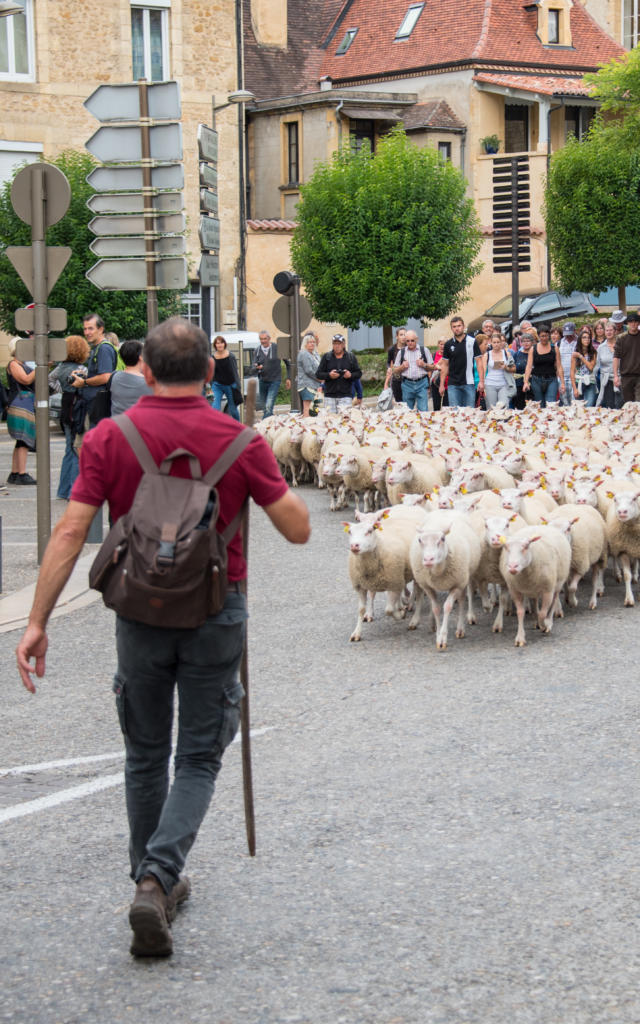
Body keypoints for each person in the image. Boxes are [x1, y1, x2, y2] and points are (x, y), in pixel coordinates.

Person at [16, 316, 311, 959]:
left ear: (143, 371)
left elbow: (70, 533)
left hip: (139, 613)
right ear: (210, 371)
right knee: (200, 757)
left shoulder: (109, 438)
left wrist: (37, 622)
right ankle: (159, 877)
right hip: (217, 609)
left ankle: (148, 881)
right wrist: (265, 488)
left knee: (144, 754)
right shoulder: (240, 439)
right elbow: (297, 530)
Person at [49, 334, 90, 499]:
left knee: (68, 448)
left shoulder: (60, 367)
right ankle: (74, 490)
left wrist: (63, 390)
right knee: (76, 447)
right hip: (78, 406)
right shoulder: (83, 369)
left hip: (66, 405)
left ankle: (64, 490)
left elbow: (49, 380)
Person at [72, 313, 117, 426]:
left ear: (100, 329)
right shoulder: (97, 348)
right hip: (95, 404)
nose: (87, 332)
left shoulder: (104, 349)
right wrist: (84, 375)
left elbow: (105, 377)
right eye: (85, 329)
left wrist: (84, 382)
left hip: (99, 406)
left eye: (90, 328)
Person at [5, 337, 36, 485]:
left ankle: (15, 472)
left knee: (20, 441)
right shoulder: (13, 364)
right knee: (23, 440)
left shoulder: (20, 364)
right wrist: (40, 368)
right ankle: (21, 473)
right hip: (20, 404)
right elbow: (26, 380)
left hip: (23, 404)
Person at [438, 316, 485, 407]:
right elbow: (445, 365)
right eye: (454, 326)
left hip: (469, 383)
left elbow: (479, 362)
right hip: (453, 384)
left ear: (463, 326)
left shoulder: (472, 341)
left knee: (469, 413)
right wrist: (441, 384)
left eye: (459, 326)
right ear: (451, 328)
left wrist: (481, 381)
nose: (457, 328)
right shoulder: (448, 344)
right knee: (455, 413)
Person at [249, 329, 291, 419]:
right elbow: (252, 370)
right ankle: (270, 423)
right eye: (261, 339)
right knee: (265, 407)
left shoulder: (277, 348)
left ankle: (265, 424)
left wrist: (288, 378)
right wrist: (256, 367)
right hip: (262, 381)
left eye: (265, 338)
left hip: (275, 380)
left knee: (269, 405)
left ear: (269, 338)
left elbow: (288, 363)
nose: (263, 341)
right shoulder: (257, 351)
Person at [316, 333, 362, 413]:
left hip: (346, 395)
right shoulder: (327, 357)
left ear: (343, 344)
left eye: (339, 343)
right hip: (329, 395)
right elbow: (318, 374)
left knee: (345, 421)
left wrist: (350, 375)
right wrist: (329, 375)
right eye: (335, 343)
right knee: (330, 421)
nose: (337, 346)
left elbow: (358, 373)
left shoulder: (350, 357)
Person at [110, 340, 153, 416]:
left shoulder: (114, 377)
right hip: (137, 425)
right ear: (141, 357)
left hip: (116, 423)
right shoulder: (147, 383)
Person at [523, 329, 565, 407]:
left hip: (551, 379)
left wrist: (562, 382)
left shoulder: (554, 348)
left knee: (551, 404)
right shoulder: (533, 349)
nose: (544, 338)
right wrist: (526, 382)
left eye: (546, 336)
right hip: (537, 380)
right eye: (542, 336)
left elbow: (559, 366)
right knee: (539, 404)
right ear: (538, 337)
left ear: (548, 336)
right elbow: (528, 366)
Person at [393, 330, 433, 411]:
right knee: (407, 411)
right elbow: (395, 370)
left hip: (422, 383)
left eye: (412, 340)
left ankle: (423, 423)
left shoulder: (424, 350)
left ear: (417, 339)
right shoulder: (402, 352)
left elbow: (433, 367)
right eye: (407, 341)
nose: (410, 343)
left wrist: (424, 365)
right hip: (407, 384)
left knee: (423, 411)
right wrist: (402, 367)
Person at [210, 335, 241, 421]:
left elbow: (235, 371)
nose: (219, 345)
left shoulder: (231, 356)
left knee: (233, 409)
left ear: (224, 344)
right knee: (215, 406)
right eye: (217, 343)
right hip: (217, 385)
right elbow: (211, 371)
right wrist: (212, 384)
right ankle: (214, 425)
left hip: (230, 384)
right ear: (215, 345)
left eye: (221, 343)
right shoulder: (212, 357)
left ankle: (238, 426)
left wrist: (237, 386)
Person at [613, 311, 640, 404]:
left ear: (638, 323)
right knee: (628, 404)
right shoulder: (621, 338)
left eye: (636, 321)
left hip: (639, 375)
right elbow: (616, 357)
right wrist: (616, 376)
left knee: (638, 403)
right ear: (627, 323)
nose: (633, 324)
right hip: (626, 376)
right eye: (631, 322)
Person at [483, 331, 515, 408]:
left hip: (504, 384)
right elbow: (483, 371)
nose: (496, 344)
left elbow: (513, 368)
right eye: (494, 342)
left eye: (498, 342)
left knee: (504, 407)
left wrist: (506, 367)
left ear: (501, 343)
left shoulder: (506, 353)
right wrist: (483, 384)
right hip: (490, 384)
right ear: (491, 343)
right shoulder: (487, 355)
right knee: (491, 409)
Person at [570, 327, 597, 407]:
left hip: (590, 382)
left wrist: (581, 357)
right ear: (580, 340)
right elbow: (572, 372)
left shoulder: (593, 352)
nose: (587, 340)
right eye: (584, 337)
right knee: (578, 407)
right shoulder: (575, 353)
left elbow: (591, 367)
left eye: (588, 338)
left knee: (589, 406)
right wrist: (574, 389)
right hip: (579, 382)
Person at [595, 319, 619, 408]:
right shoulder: (601, 347)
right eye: (607, 330)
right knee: (610, 405)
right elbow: (596, 366)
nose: (608, 332)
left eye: (611, 330)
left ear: (615, 331)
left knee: (620, 404)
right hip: (606, 379)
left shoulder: (621, 344)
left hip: (620, 378)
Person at [297, 333, 321, 416]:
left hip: (315, 385)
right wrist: (320, 379)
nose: (312, 344)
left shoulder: (315, 354)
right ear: (305, 344)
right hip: (306, 384)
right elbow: (308, 370)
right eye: (309, 342)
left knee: (315, 409)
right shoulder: (304, 353)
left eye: (313, 342)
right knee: (307, 408)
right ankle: (306, 425)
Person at [511, 331, 534, 410]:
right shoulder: (516, 354)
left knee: (532, 406)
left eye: (528, 341)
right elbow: (512, 368)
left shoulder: (535, 353)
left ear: (532, 342)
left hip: (533, 383)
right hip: (519, 384)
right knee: (520, 406)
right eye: (524, 341)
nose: (526, 343)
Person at [383, 327, 407, 403]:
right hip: (396, 379)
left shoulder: (409, 347)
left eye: (405, 335)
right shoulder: (392, 349)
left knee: (407, 402)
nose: (403, 337)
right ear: (396, 337)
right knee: (398, 402)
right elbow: (388, 362)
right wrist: (389, 368)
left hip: (407, 379)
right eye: (401, 335)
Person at [430, 337, 448, 411]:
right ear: (438, 345)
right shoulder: (434, 355)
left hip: (447, 384)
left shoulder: (450, 355)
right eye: (441, 344)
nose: (442, 346)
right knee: (436, 406)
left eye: (444, 344)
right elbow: (430, 368)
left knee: (446, 407)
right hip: (435, 384)